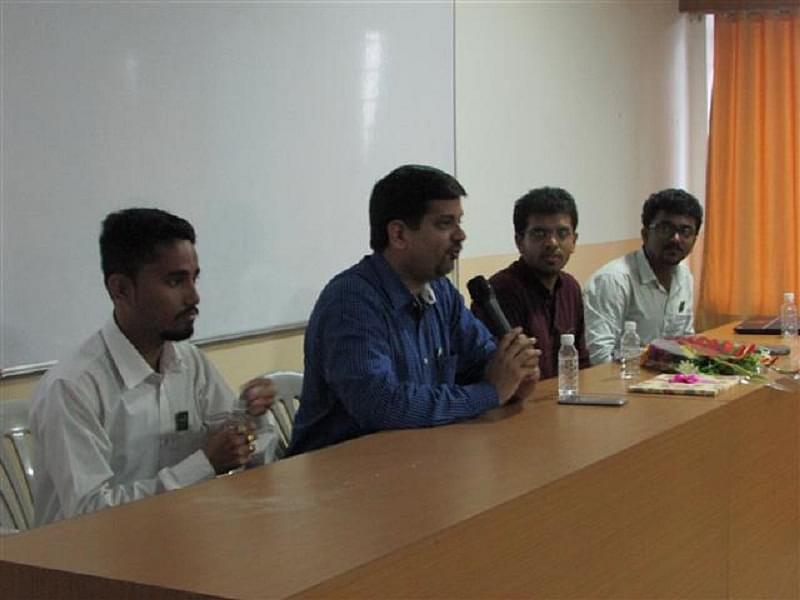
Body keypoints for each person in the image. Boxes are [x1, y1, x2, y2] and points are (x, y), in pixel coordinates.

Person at [30, 208, 278, 526]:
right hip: (92, 553)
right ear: (121, 289)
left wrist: (251, 418)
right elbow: (90, 515)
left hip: (182, 537)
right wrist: (204, 464)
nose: (194, 296)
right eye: (175, 281)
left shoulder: (190, 363)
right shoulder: (72, 387)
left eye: (194, 278)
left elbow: (248, 459)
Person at [288, 165, 541, 455]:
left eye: (459, 222)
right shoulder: (351, 301)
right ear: (398, 234)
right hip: (338, 470)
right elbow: (382, 405)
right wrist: (490, 393)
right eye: (445, 224)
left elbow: (485, 362)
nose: (461, 235)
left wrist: (516, 375)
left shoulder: (441, 292)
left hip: (418, 457)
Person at [473, 187, 589, 379]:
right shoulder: (499, 293)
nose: (552, 243)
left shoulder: (570, 288)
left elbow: (581, 361)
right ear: (519, 242)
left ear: (574, 241)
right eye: (539, 234)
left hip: (567, 395)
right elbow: (494, 375)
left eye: (562, 233)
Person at [583, 188, 703, 364]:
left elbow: (684, 342)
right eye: (665, 229)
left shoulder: (684, 276)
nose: (676, 239)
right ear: (645, 234)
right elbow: (599, 358)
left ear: (694, 239)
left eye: (685, 231)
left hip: (667, 377)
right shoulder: (613, 280)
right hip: (621, 378)